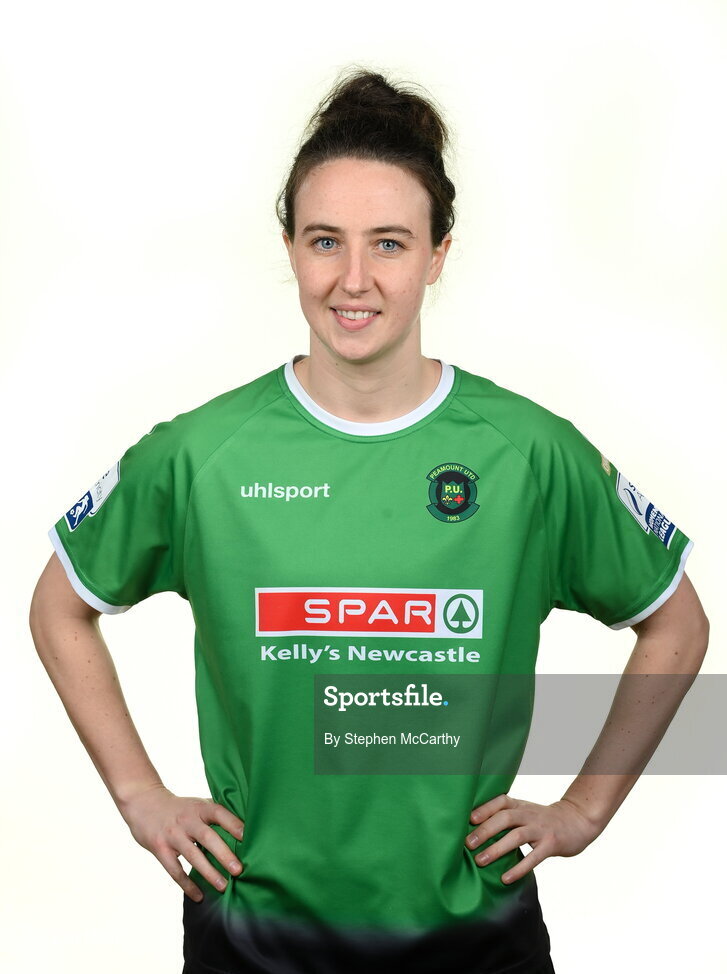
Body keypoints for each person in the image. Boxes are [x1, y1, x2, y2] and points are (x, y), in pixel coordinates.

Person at [29, 67, 709, 974]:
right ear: (290, 248)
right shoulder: (202, 455)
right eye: (324, 241)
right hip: (254, 939)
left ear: (437, 255)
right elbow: (58, 605)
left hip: (471, 942)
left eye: (388, 243)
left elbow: (676, 622)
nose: (353, 279)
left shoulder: (527, 454)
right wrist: (138, 796)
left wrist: (583, 809)